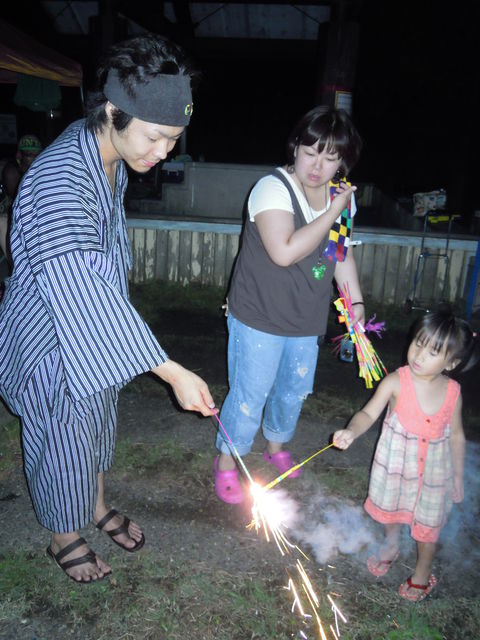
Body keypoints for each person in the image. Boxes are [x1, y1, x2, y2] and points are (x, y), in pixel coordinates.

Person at [0, 34, 215, 584]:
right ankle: (62, 534)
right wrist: (172, 371)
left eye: (173, 139)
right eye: (155, 136)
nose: (162, 152)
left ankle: (93, 505)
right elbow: (80, 287)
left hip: (92, 327)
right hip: (50, 331)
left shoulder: (106, 149)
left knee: (95, 420)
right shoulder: (59, 181)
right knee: (63, 432)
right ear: (113, 112)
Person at [214, 107, 364, 503]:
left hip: (306, 317)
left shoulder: (341, 198)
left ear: (342, 160)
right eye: (310, 152)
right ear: (295, 146)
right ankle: (228, 460)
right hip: (258, 314)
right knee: (250, 394)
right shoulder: (272, 188)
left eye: (330, 157)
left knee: (292, 391)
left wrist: (355, 300)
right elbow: (284, 252)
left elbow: (340, 255)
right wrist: (333, 211)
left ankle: (276, 446)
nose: (317, 166)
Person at [333, 309, 478, 602]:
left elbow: (457, 436)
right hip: (396, 469)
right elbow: (367, 414)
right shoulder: (396, 382)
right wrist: (351, 431)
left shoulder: (453, 393)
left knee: (428, 529)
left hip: (434, 476)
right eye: (418, 344)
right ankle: (391, 544)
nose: (419, 355)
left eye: (432, 352)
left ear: (451, 363)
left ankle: (423, 569)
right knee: (393, 511)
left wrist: (457, 476)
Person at [0, 134, 43, 258]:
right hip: (9, 215)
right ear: (19, 156)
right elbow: (19, 205)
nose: (35, 159)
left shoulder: (39, 170)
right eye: (30, 155)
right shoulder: (11, 172)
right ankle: (13, 263)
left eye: (38, 155)